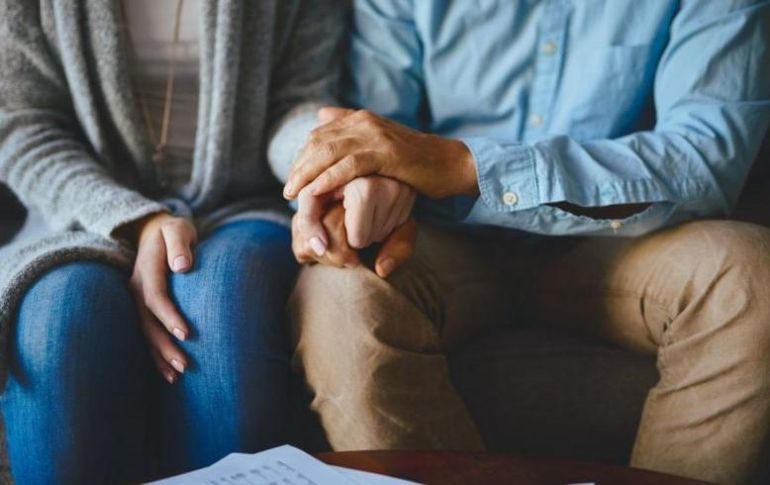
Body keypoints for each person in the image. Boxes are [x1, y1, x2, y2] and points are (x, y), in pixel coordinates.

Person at [283, 1, 770, 484]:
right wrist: (364, 186)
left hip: (619, 243)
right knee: (339, 291)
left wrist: (464, 165)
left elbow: (704, 158)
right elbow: (370, 127)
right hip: (441, 239)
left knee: (751, 276)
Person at [0, 0, 345, 482]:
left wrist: (323, 160)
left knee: (222, 302)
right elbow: (21, 126)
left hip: (243, 201)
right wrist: (134, 219)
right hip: (80, 209)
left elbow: (298, 103)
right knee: (61, 316)